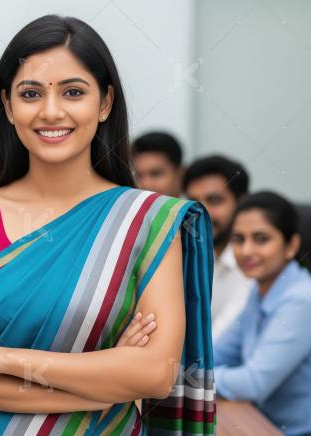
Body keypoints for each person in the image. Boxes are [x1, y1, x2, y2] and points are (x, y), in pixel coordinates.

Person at [0, 15, 215, 435]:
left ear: (105, 103)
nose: (51, 111)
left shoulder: (147, 221)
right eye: (31, 93)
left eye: (73, 92)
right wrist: (102, 386)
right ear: (8, 105)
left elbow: (154, 373)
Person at [214, 191, 311, 435]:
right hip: (259, 421)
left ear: (292, 246)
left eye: (261, 239)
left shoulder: (301, 299)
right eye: (238, 239)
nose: (246, 251)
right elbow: (217, 353)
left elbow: (253, 383)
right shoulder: (261, 290)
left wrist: (186, 376)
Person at [183, 155, 254, 338]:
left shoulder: (253, 259)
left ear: (241, 203)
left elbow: (217, 341)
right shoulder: (185, 254)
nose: (201, 213)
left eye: (214, 201)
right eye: (194, 202)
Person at [131, 131, 183, 197]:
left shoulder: (198, 205)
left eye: (156, 173)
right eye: (138, 176)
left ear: (180, 174)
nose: (146, 185)